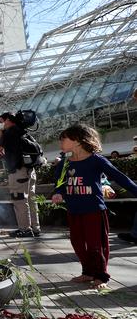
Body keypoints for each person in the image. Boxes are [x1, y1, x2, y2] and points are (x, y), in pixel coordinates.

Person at [51, 124, 137, 290]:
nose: (60, 142)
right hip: (73, 210)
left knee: (96, 244)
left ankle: (101, 275)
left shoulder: (96, 160)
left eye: (64, 139)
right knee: (77, 242)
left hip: (93, 210)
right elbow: (60, 183)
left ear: (77, 140)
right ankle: (87, 272)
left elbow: (120, 178)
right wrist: (58, 193)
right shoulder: (64, 163)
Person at [0, 112, 40, 238]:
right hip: (30, 170)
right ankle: (35, 228)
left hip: (18, 172)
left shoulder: (8, 133)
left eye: (1, 120)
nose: (0, 124)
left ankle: (25, 229)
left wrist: (0, 135)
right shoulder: (22, 131)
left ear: (8, 120)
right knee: (31, 199)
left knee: (19, 200)